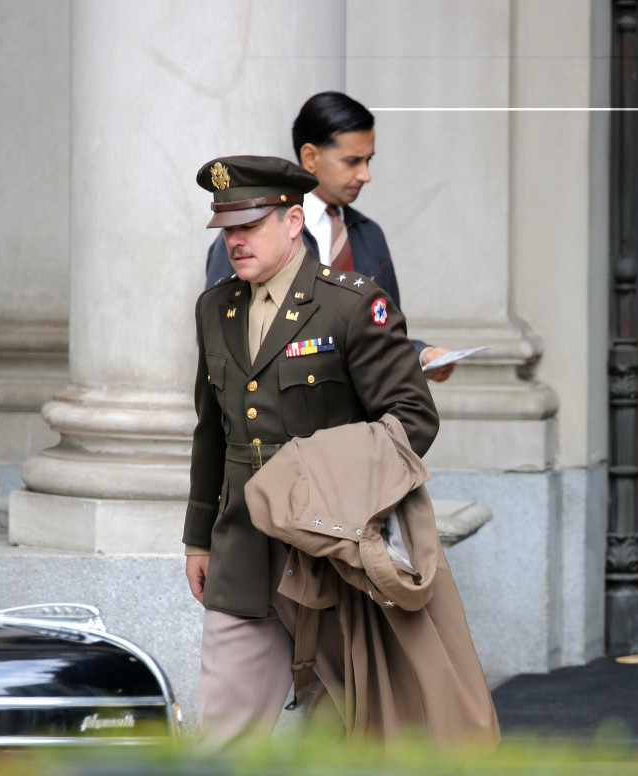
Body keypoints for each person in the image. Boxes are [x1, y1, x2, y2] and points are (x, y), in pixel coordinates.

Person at [184, 154, 440, 747]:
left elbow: (412, 419)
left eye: (250, 225)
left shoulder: (351, 305)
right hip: (243, 551)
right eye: (227, 228)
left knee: (351, 732)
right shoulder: (215, 307)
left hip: (333, 555)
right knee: (221, 738)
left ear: (293, 221)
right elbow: (211, 430)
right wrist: (198, 537)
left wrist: (330, 480)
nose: (235, 241)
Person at [204, 91, 455, 382]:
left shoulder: (369, 236)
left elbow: (380, 336)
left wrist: (422, 355)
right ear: (311, 157)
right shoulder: (249, 239)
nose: (365, 175)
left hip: (363, 422)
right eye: (352, 161)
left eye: (368, 161)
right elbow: (220, 344)